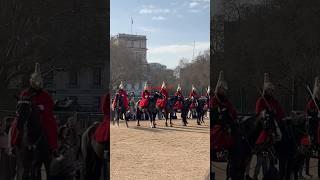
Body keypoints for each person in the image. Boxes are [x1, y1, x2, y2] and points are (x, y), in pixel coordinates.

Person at [10, 63, 58, 156]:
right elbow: (20, 102)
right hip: (27, 115)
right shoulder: (25, 92)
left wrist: (42, 107)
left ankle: (53, 148)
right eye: (35, 82)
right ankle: (13, 144)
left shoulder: (45, 94)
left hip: (42, 115)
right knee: (16, 124)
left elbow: (50, 105)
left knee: (52, 124)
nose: (37, 84)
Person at [211, 71, 237, 153]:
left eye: (225, 90)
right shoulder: (214, 99)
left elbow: (232, 110)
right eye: (223, 89)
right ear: (219, 89)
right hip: (217, 122)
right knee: (219, 132)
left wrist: (234, 116)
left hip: (227, 121)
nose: (224, 91)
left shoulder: (226, 100)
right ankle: (218, 150)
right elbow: (213, 111)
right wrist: (219, 110)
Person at [255, 73, 284, 147]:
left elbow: (281, 112)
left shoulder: (275, 101)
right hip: (264, 122)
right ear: (265, 90)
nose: (270, 91)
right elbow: (259, 113)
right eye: (269, 90)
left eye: (271, 90)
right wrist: (265, 112)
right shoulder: (261, 101)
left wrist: (276, 115)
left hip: (275, 121)